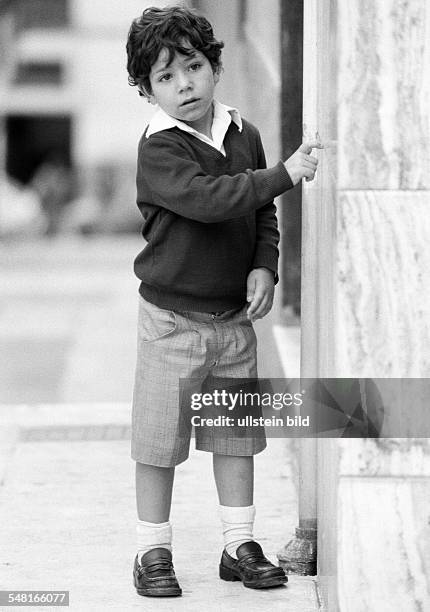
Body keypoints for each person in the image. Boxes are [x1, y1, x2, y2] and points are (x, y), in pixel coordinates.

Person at [126, 5, 322, 598]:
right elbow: (212, 199)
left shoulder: (245, 133)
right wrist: (285, 173)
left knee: (235, 434)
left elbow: (259, 212)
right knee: (160, 441)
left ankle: (238, 543)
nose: (183, 84)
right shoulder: (160, 149)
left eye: (192, 66)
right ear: (146, 89)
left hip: (234, 319)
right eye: (165, 76)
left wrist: (265, 264)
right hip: (172, 320)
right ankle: (151, 550)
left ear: (214, 66)